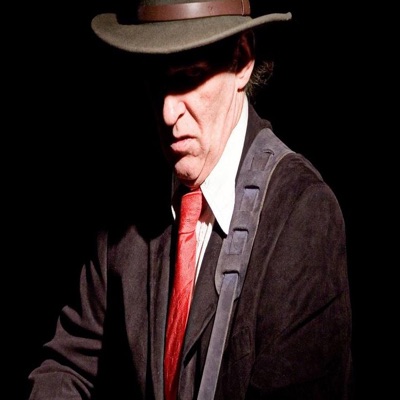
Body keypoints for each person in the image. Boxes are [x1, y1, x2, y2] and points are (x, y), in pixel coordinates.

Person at [27, 0, 353, 399]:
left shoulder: (301, 216)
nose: (168, 113)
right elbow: (69, 363)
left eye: (188, 78)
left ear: (242, 61)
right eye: (157, 81)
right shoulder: (129, 197)